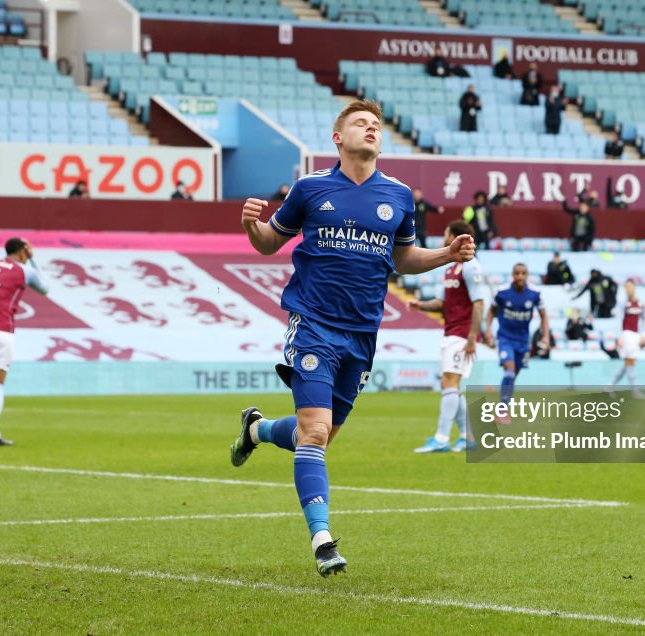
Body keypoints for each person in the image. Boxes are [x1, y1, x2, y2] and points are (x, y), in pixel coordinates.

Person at [228, 100, 476, 576]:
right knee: (316, 432)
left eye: (377, 125)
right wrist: (250, 227)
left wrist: (447, 252)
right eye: (361, 123)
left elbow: (403, 260)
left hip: (363, 334)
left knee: (315, 436)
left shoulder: (399, 196)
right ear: (338, 138)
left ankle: (255, 429)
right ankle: (323, 541)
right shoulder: (310, 188)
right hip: (314, 323)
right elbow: (269, 241)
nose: (372, 128)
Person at [408, 221, 484, 454]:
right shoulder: (451, 268)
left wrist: (472, 338)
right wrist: (420, 304)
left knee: (449, 383)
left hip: (461, 335)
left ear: (454, 236)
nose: (442, 238)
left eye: (445, 234)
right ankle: (467, 437)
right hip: (451, 332)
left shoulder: (471, 266)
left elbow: (479, 303)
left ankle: (441, 438)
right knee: (453, 385)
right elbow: (441, 304)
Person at [0, 238, 49, 448]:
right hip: (1, 329)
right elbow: (45, 288)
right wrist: (33, 260)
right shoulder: (24, 270)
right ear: (23, 252)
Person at [485, 263, 548, 418]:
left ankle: (504, 405)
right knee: (509, 370)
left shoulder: (535, 293)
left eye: (523, 273)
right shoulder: (502, 292)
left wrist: (546, 336)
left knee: (513, 375)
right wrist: (487, 330)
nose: (520, 276)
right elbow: (491, 311)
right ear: (512, 275)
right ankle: (502, 411)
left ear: (527, 275)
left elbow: (544, 315)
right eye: (517, 273)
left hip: (523, 341)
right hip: (505, 338)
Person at [607, 279, 645, 398]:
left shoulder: (641, 303)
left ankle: (609, 386)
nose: (627, 289)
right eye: (626, 287)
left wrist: (643, 334)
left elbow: (644, 320)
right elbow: (618, 320)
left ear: (634, 287)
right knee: (630, 362)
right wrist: (619, 336)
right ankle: (635, 391)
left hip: (635, 335)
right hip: (626, 334)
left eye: (629, 287)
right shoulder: (623, 303)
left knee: (627, 363)